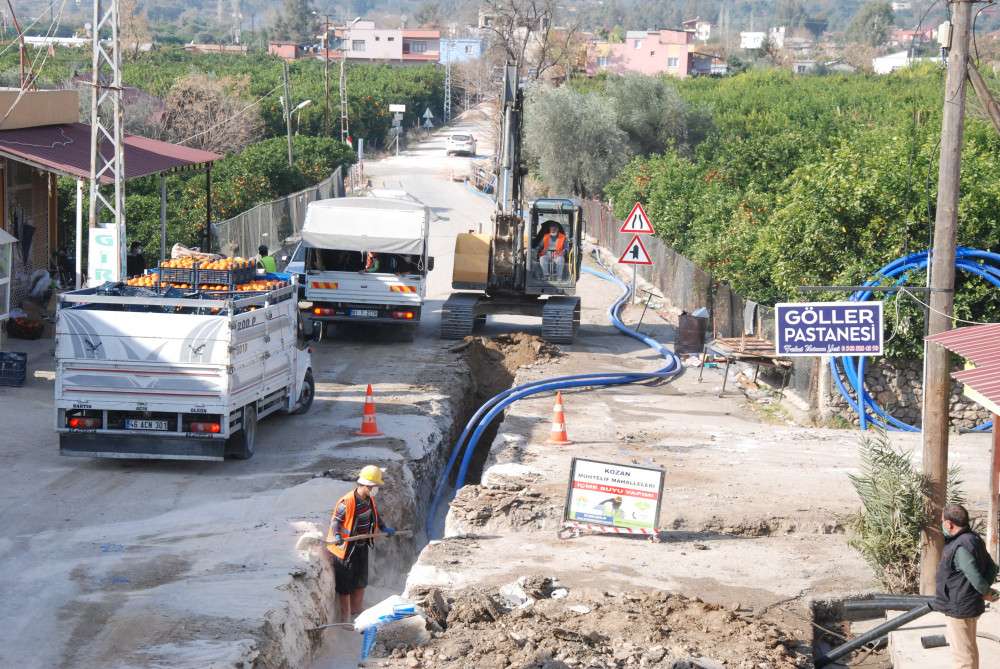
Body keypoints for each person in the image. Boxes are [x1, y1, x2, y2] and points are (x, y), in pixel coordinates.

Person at [325, 465, 396, 621]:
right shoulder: (347, 501)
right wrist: (337, 535)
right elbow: (336, 521)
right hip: (345, 549)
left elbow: (375, 516)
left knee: (360, 579)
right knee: (345, 584)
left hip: (362, 546)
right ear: (367, 485)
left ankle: (358, 611)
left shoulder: (369, 500)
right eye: (374, 486)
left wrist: (384, 527)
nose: (375, 489)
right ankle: (345, 616)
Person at [933, 503, 999, 669]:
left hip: (959, 607)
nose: (942, 525)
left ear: (949, 524)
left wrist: (986, 591)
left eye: (942, 521)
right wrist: (985, 590)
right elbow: (992, 567)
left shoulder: (960, 546)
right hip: (968, 604)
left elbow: (974, 576)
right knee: (969, 649)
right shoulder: (974, 538)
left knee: (962, 657)